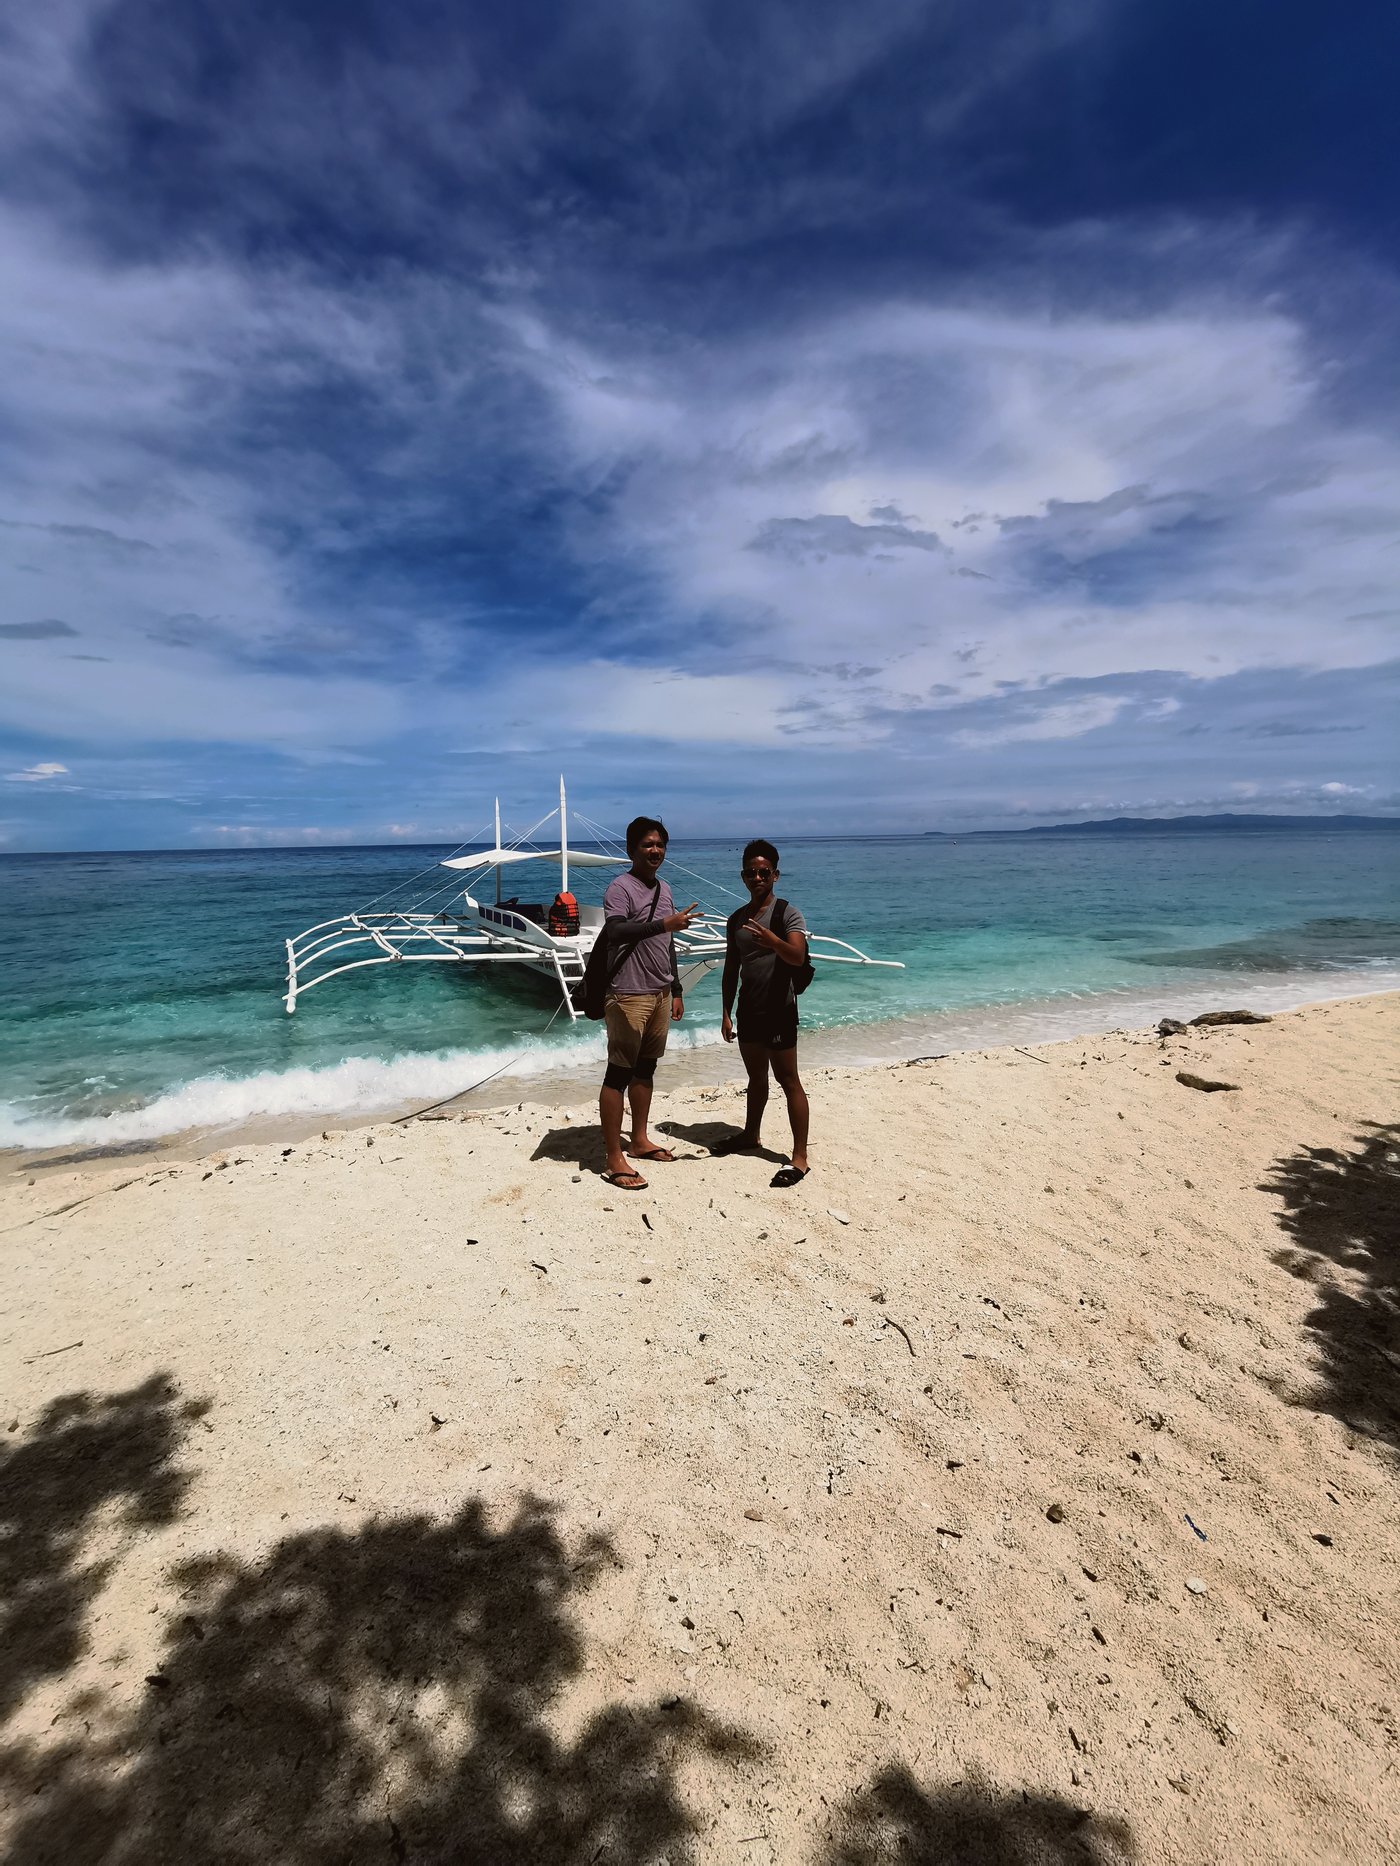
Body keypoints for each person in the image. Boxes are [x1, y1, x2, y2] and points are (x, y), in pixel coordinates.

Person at [597, 816, 697, 1191]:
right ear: (630, 849)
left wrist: (677, 988)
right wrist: (664, 925)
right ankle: (613, 1156)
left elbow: (666, 944)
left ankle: (638, 1140)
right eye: (647, 845)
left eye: (660, 844)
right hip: (627, 992)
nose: (655, 851)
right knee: (618, 1073)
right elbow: (617, 930)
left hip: (659, 991)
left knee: (646, 1068)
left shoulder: (665, 889)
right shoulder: (619, 888)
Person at [714, 839, 810, 1188]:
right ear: (743, 876)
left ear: (775, 875)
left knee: (789, 1081)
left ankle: (799, 1158)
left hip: (780, 1010)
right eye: (751, 872)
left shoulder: (787, 913)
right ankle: (750, 1136)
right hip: (748, 1011)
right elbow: (730, 968)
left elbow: (797, 957)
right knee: (756, 1079)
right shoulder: (736, 919)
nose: (757, 877)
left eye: (764, 872)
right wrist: (725, 1012)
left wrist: (773, 941)